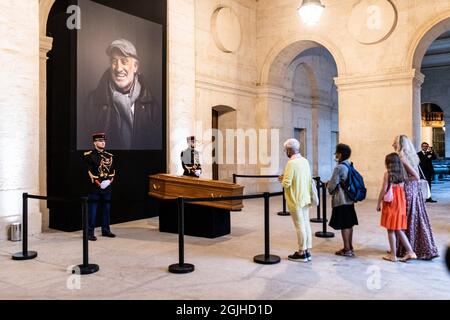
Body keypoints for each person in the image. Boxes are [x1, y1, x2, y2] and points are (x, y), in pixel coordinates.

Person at [82, 39, 161, 150]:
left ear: (135, 67)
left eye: (124, 61)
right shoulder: (92, 102)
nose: (118, 68)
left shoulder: (152, 106)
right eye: (114, 61)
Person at [393, 135, 439, 260]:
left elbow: (415, 176)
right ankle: (412, 246)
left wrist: (401, 178)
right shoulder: (411, 156)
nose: (392, 144)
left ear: (400, 144)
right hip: (414, 190)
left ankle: (408, 249)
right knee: (415, 218)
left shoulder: (402, 157)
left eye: (394, 142)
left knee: (407, 218)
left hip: (408, 189)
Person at [376, 153, 417, 262]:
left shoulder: (387, 174)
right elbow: (415, 177)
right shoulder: (403, 174)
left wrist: (378, 202)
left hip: (391, 202)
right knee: (398, 228)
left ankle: (393, 255)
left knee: (390, 229)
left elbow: (384, 190)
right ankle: (410, 252)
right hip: (401, 202)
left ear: (388, 163)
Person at [278, 138, 313, 262]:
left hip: (295, 199)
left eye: (285, 150)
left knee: (299, 226)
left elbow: (287, 183)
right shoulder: (305, 161)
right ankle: (308, 251)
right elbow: (308, 178)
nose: (285, 152)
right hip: (305, 197)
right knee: (306, 224)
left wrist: (281, 179)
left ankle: (301, 252)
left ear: (289, 150)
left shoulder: (291, 163)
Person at [326, 143, 359, 257]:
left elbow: (332, 185)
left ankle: (346, 249)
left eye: (336, 152)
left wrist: (328, 186)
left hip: (341, 200)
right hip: (349, 199)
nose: (335, 154)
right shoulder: (349, 165)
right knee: (349, 224)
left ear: (340, 154)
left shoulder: (339, 167)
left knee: (344, 225)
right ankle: (350, 247)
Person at [84, 133, 116, 241]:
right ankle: (89, 232)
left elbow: (112, 172)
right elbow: (89, 172)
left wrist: (108, 182)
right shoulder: (89, 156)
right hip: (95, 188)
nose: (103, 142)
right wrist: (99, 183)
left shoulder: (109, 156)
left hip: (106, 187)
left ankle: (106, 230)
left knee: (106, 210)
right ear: (95, 142)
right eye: (100, 140)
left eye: (104, 141)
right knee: (92, 210)